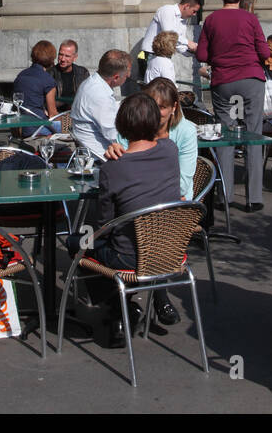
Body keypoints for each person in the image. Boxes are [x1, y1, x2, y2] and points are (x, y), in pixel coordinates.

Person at [73, 93, 181, 347]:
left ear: (121, 125)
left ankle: (117, 309)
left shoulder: (113, 168)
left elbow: (104, 224)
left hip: (128, 257)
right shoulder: (170, 150)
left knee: (77, 242)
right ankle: (122, 308)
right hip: (169, 251)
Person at [196, 0, 272, 211]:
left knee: (225, 135)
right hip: (251, 79)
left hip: (224, 81)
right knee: (253, 134)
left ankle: (225, 196)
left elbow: (202, 55)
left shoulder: (211, 20)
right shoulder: (250, 19)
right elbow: (265, 52)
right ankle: (254, 198)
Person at [70, 49, 132, 159]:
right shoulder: (99, 94)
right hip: (101, 157)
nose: (129, 76)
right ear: (116, 77)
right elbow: (114, 134)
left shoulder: (92, 82)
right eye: (126, 75)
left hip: (99, 150)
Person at [138, 0, 200, 77]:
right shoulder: (167, 10)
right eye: (194, 11)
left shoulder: (183, 20)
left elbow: (179, 45)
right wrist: (188, 42)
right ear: (186, 6)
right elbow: (169, 34)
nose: (194, 14)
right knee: (151, 84)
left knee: (164, 84)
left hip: (164, 56)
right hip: (150, 54)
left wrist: (194, 52)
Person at [13, 40, 58, 122]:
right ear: (51, 59)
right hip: (38, 125)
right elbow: (53, 114)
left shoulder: (21, 75)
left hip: (19, 124)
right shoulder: (48, 80)